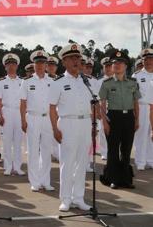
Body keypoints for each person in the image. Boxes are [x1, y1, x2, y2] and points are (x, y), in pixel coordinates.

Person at [49, 43, 94, 212]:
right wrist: (55, 128)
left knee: (82, 162)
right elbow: (52, 107)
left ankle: (79, 197)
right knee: (67, 163)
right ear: (64, 62)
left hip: (85, 123)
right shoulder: (58, 82)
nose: (76, 61)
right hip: (67, 123)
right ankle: (66, 199)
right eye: (72, 58)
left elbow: (94, 103)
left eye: (78, 58)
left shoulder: (87, 81)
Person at [99, 50, 141, 189]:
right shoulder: (107, 83)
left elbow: (136, 102)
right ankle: (113, 179)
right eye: (114, 63)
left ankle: (126, 179)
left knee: (126, 149)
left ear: (126, 66)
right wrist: (104, 122)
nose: (117, 65)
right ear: (111, 66)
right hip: (113, 118)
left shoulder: (133, 83)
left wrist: (136, 120)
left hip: (129, 117)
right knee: (113, 150)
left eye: (120, 63)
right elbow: (102, 104)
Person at [19, 50, 54, 191]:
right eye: (37, 63)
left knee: (46, 151)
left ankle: (45, 181)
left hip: (47, 119)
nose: (39, 65)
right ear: (33, 65)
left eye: (42, 63)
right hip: (32, 117)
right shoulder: (26, 81)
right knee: (33, 151)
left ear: (46, 65)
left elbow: (54, 103)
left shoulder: (52, 81)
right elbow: (22, 103)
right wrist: (23, 120)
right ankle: (34, 181)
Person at [0, 53, 25, 176]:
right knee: (6, 141)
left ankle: (17, 167)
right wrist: (0, 115)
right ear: (5, 67)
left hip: (19, 112)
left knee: (18, 141)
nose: (11, 66)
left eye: (13, 64)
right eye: (8, 64)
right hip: (6, 111)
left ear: (17, 66)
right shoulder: (0, 82)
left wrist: (24, 117)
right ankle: (7, 167)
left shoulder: (23, 82)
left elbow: (25, 101)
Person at [132, 48, 153, 170]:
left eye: (151, 59)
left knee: (152, 134)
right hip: (142, 107)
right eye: (146, 59)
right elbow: (133, 95)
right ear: (142, 61)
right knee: (141, 134)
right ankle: (140, 161)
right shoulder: (137, 75)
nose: (149, 61)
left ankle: (151, 160)